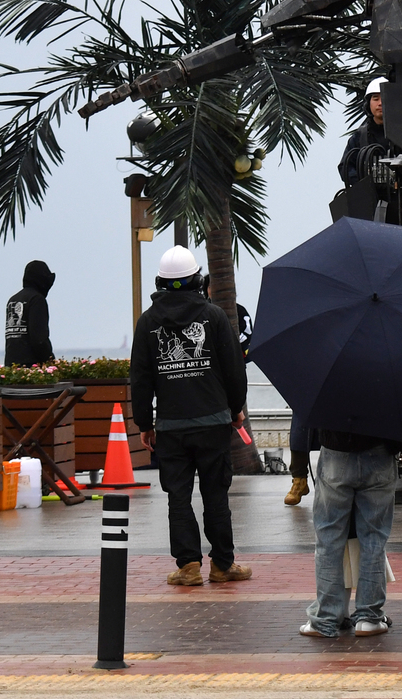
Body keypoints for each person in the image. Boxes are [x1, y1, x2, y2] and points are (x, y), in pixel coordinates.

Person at [131, 246, 251, 586]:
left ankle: (188, 567)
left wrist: (144, 423)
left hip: (170, 428)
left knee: (178, 496)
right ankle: (222, 565)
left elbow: (140, 377)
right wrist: (235, 408)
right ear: (198, 280)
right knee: (216, 494)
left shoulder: (148, 322)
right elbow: (233, 369)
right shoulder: (213, 317)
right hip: (213, 422)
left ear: (160, 283)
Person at [300, 428, 402, 638]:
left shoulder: (328, 393)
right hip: (379, 450)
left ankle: (326, 618)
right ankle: (369, 616)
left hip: (336, 450)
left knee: (328, 539)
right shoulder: (386, 393)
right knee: (374, 539)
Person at [339, 77, 397, 186]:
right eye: (375, 99)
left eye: (384, 98)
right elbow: (345, 167)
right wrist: (364, 183)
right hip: (370, 198)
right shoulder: (360, 137)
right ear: (368, 104)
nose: (380, 103)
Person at [5, 260, 55, 366]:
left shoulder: (13, 300)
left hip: (11, 365)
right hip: (31, 365)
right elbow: (39, 339)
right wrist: (50, 360)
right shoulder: (36, 300)